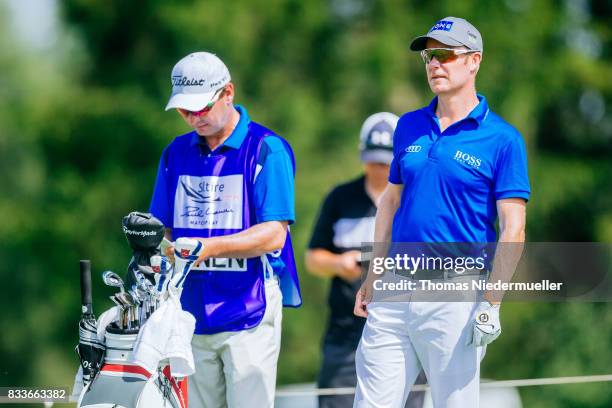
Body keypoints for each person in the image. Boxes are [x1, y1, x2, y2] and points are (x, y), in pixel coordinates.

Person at [353, 17, 530, 408]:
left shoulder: (503, 139)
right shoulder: (409, 126)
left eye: (445, 54)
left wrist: (492, 302)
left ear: (474, 61)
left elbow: (513, 229)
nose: (434, 63)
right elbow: (390, 203)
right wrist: (373, 273)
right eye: (429, 56)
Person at [149, 51, 301, 408]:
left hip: (250, 307)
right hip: (190, 313)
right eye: (185, 111)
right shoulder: (175, 153)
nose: (193, 118)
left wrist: (207, 248)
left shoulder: (267, 149)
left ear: (228, 93)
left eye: (201, 108)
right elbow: (163, 229)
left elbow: (274, 234)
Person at [306, 112, 426, 408]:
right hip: (345, 335)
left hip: (405, 331)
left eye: (386, 162)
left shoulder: (418, 199)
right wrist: (338, 264)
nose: (379, 168)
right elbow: (312, 257)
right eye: (373, 161)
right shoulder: (340, 198)